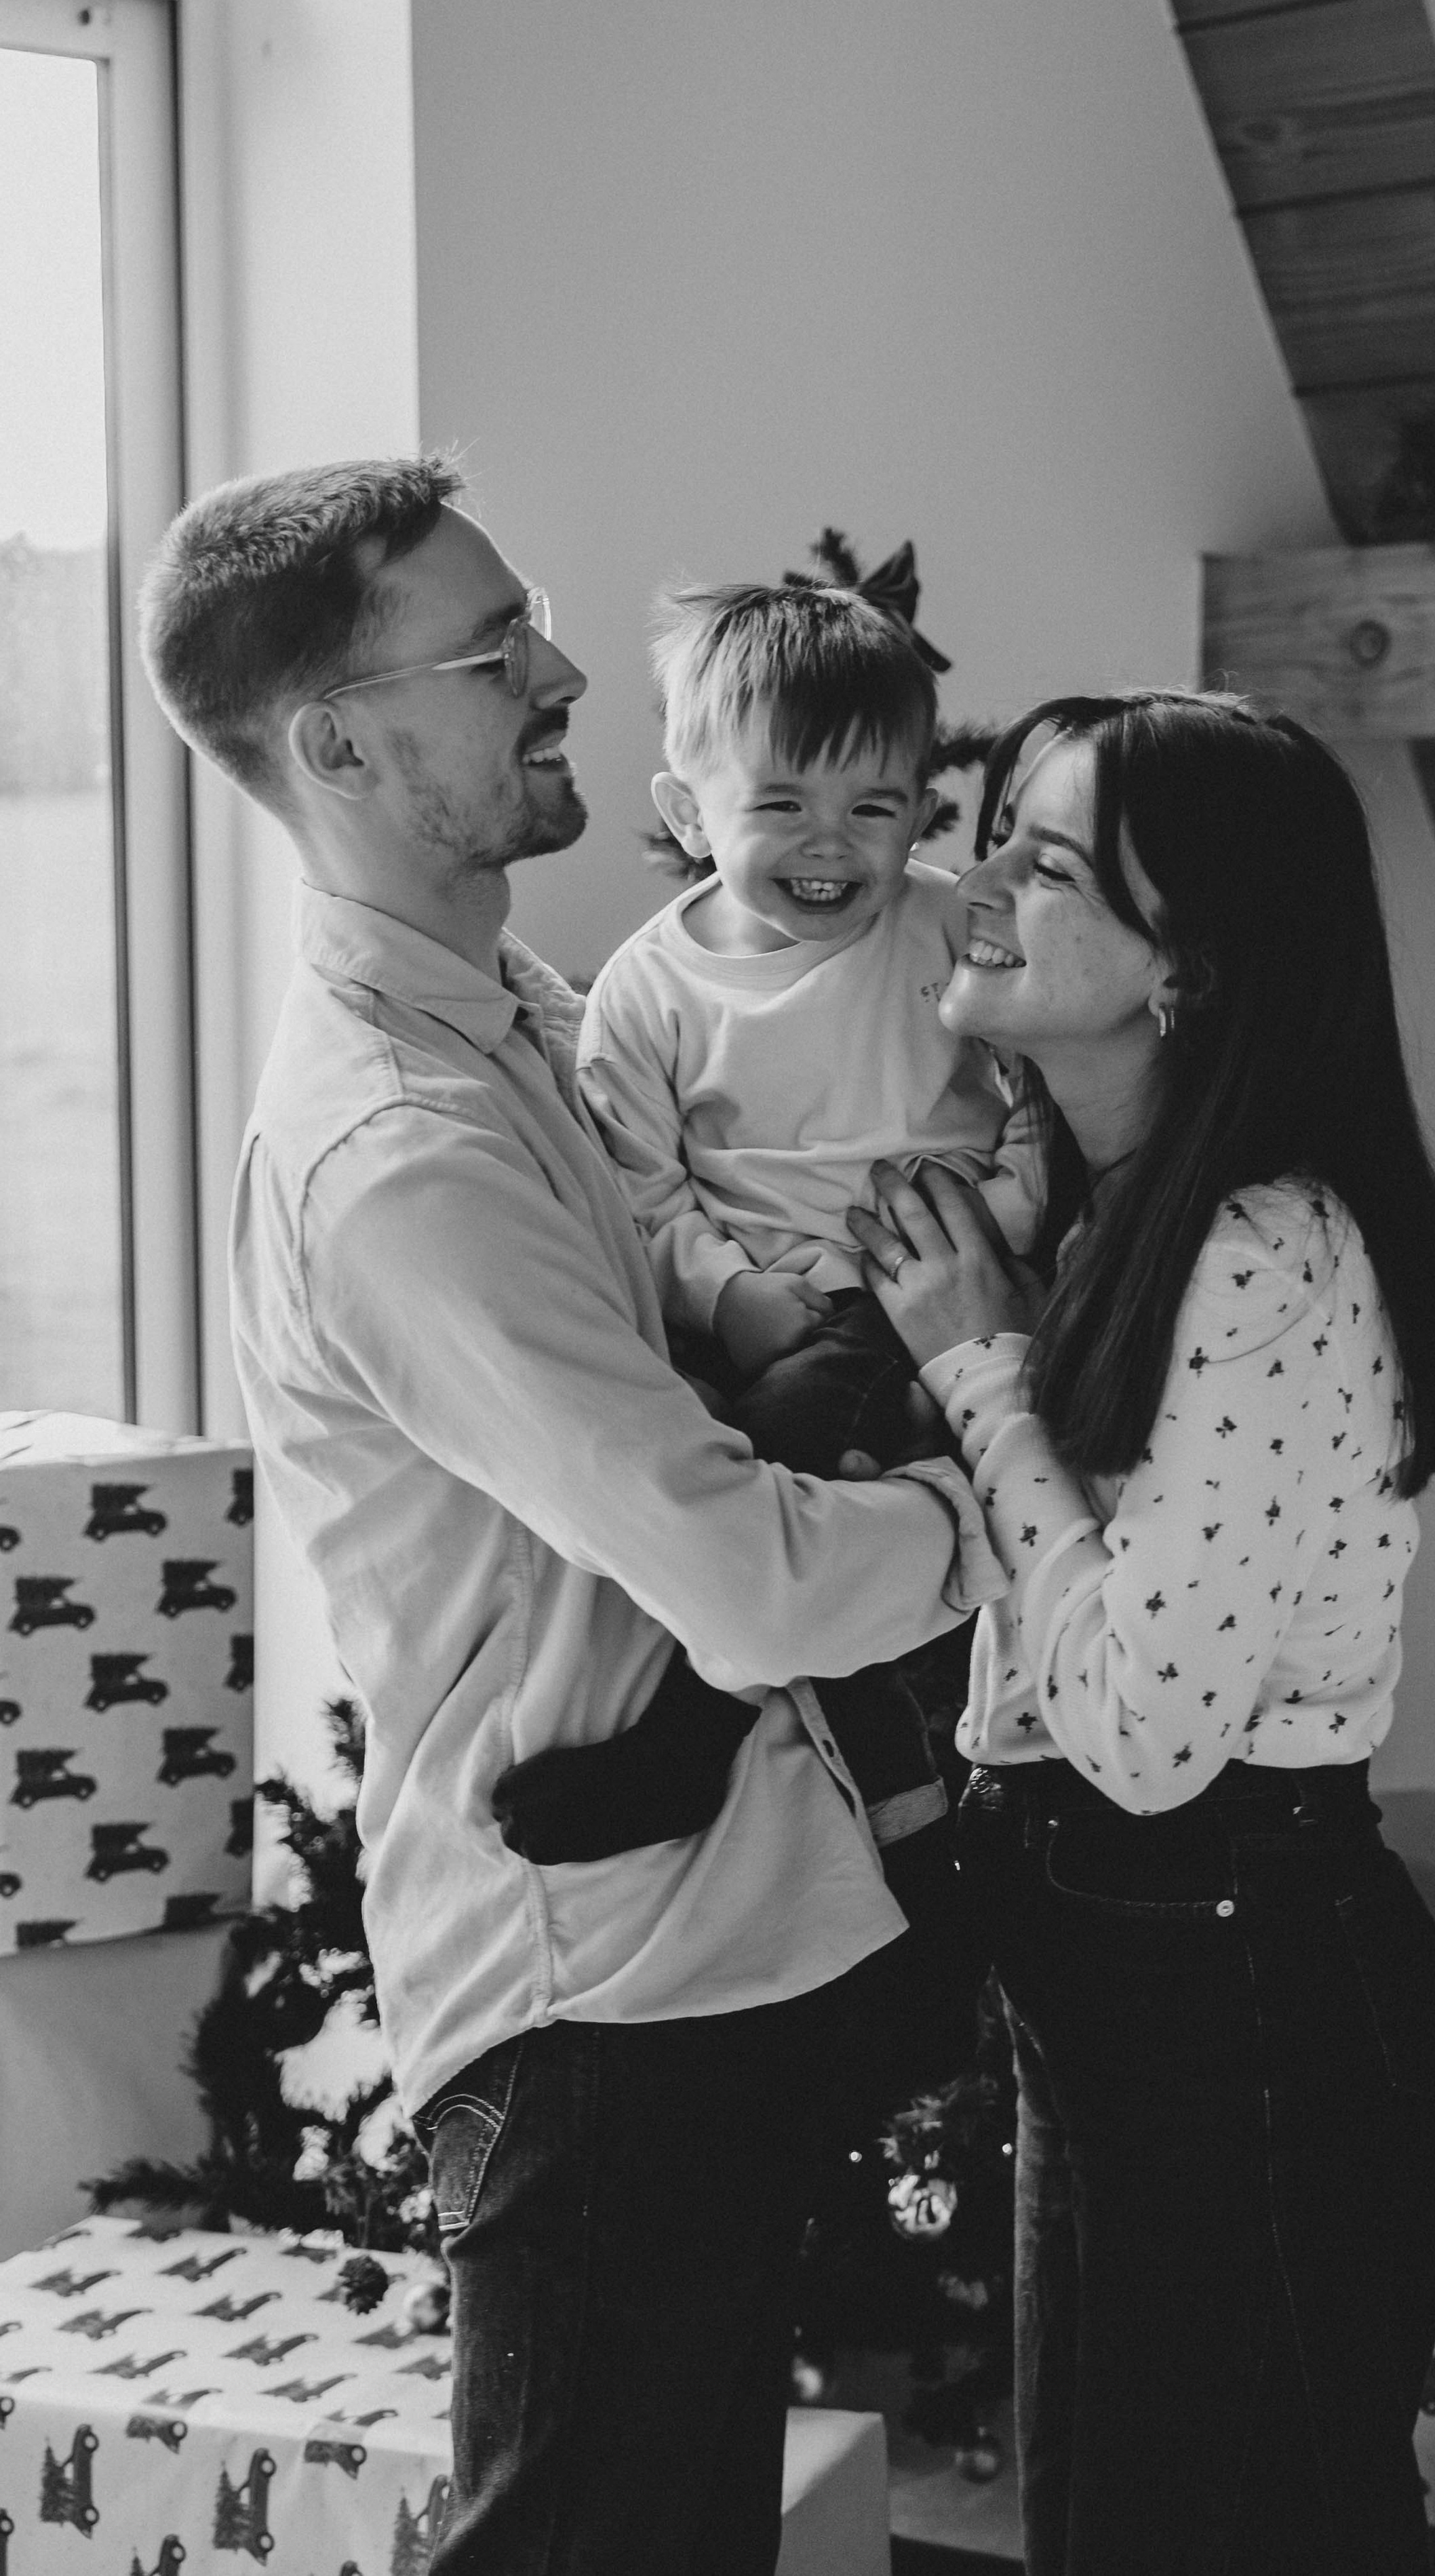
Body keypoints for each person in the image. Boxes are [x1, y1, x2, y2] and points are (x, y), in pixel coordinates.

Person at [137, 454, 1004, 2576]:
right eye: (492, 650)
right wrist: (1020, 1511)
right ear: (341, 747)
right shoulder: (401, 1154)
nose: (562, 674)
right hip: (591, 2002)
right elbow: (746, 1580)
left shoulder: (541, 1016)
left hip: (707, 1943)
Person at [847, 690, 1435, 2576]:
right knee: (1106, 2523)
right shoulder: (1104, 1206)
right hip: (1126, 1971)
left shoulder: (1262, 1247)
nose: (974, 884)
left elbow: (1139, 1730)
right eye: (994, 836)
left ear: (1187, 970)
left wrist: (979, 1370)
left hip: (1244, 1981)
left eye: (1046, 865)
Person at [556, 576, 1040, 1924]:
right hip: (760, 1313)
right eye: (780, 805)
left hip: (926, 1291)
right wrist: (731, 1295)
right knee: (693, 1476)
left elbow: (1040, 1105)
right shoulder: (647, 991)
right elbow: (638, 1195)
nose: (831, 846)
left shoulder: (947, 933)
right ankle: (897, 1806)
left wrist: (990, 1229)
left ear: (919, 812)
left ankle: (690, 1739)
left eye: (872, 809)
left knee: (790, 1463)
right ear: (686, 813)